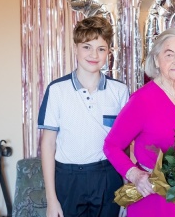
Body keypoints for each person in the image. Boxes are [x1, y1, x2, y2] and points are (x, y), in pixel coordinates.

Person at [103, 28, 175, 217]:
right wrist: (134, 175)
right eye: (170, 55)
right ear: (156, 60)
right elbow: (111, 145)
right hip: (154, 200)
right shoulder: (142, 100)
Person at [39, 16, 130, 217]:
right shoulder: (57, 90)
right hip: (68, 179)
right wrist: (51, 199)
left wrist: (126, 191)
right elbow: (48, 144)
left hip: (108, 176)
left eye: (101, 48)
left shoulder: (120, 91)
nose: (94, 54)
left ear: (108, 52)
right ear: (76, 49)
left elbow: (124, 145)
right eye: (87, 47)